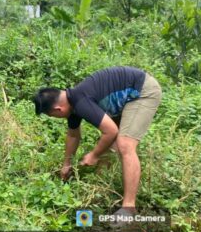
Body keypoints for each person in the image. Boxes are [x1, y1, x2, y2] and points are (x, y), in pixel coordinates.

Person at [33, 66, 162, 216]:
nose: (57, 118)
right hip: (126, 96)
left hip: (142, 91)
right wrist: (66, 164)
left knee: (125, 144)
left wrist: (94, 155)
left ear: (58, 109)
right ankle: (104, 187)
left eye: (53, 116)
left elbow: (111, 130)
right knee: (112, 144)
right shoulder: (73, 103)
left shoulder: (80, 101)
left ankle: (128, 208)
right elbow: (73, 135)